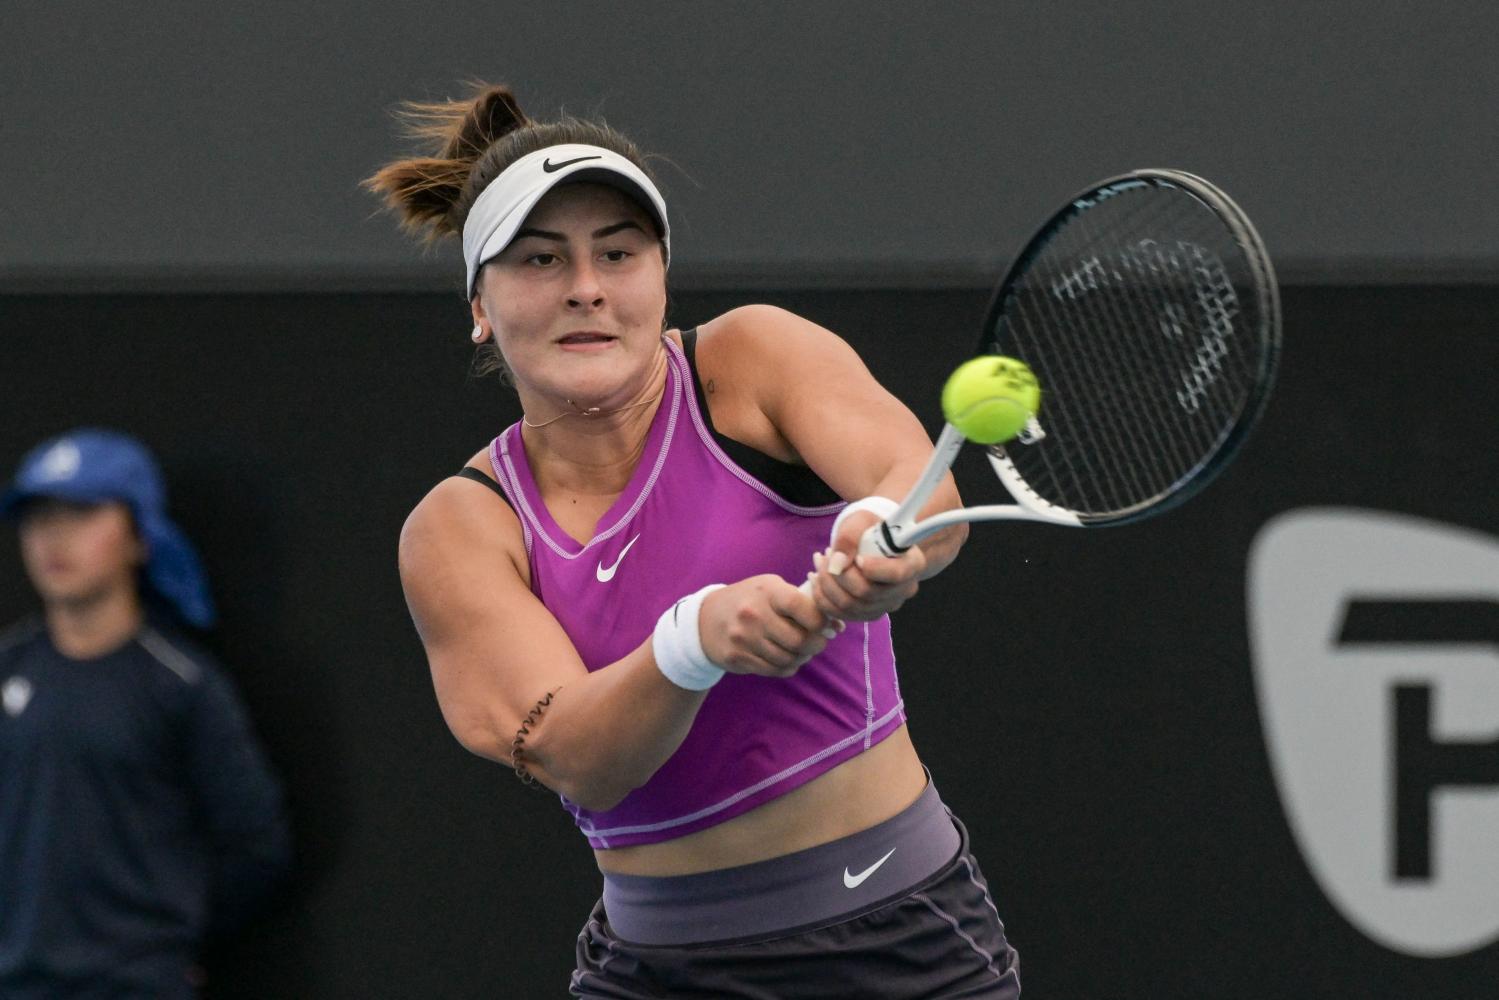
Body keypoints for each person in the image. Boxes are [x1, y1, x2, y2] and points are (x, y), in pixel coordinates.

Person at [370, 84, 1021, 998]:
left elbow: (914, 486)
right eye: (540, 259)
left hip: (900, 945)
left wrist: (882, 534)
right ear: (480, 304)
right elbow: (578, 759)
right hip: (656, 975)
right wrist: (693, 640)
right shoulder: (459, 528)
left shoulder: (751, 359)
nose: (586, 287)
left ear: (661, 277)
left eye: (618, 253)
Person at [0, 429, 293, 999]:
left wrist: (166, 938)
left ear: (140, 535)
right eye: (39, 517)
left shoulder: (181, 684)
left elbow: (256, 844)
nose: (54, 538)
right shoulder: (6, 667)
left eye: (82, 512)